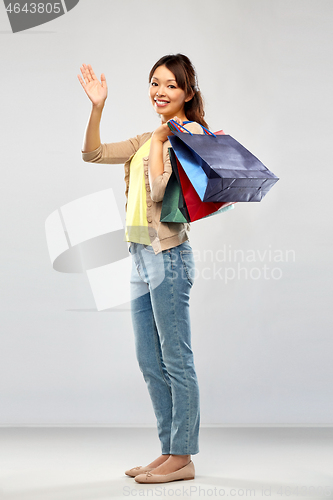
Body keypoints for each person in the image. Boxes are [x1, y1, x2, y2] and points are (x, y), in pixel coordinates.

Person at [78, 54, 207, 484]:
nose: (160, 92)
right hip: (138, 255)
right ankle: (170, 450)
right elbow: (93, 154)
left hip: (168, 256)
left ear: (187, 92)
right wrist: (98, 107)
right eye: (155, 83)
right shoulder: (148, 135)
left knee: (176, 358)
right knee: (149, 359)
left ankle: (183, 456)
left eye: (171, 85)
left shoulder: (191, 137)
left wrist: (158, 141)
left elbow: (156, 191)